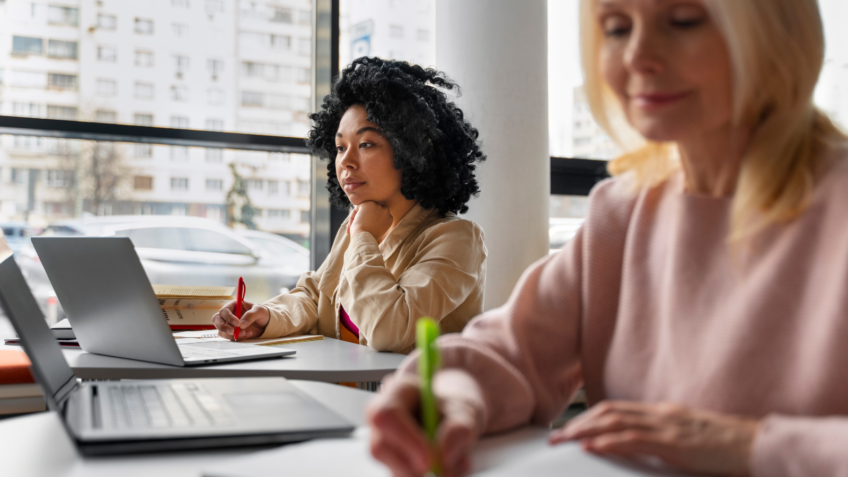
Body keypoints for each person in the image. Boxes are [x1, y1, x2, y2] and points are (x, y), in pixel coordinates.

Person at [366, 0, 848, 475]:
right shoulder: (623, 212)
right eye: (616, 28)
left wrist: (752, 446)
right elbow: (511, 353)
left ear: (775, 32)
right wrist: (453, 394)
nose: (637, 56)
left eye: (682, 21)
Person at [212, 57, 488, 354]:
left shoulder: (456, 238)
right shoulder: (357, 223)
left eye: (366, 144)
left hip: (414, 399)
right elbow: (316, 296)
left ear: (412, 150)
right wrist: (267, 317)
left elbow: (389, 329)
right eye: (341, 147)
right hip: (344, 392)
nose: (345, 161)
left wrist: (364, 238)